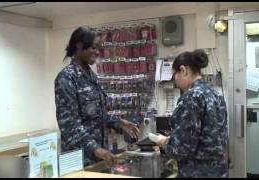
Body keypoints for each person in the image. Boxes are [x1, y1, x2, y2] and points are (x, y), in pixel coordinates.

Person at [54, 26, 139, 167]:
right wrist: (96, 149)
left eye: (99, 48)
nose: (97, 52)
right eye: (94, 47)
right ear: (79, 45)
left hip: (97, 159)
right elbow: (69, 125)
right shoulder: (66, 79)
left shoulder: (92, 77)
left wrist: (118, 123)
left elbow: (97, 115)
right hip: (78, 161)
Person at [154, 49, 228, 178]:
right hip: (218, 171)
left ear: (183, 70)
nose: (175, 81)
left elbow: (181, 149)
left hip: (196, 172)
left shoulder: (191, 97)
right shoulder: (216, 94)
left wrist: (164, 142)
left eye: (174, 75)